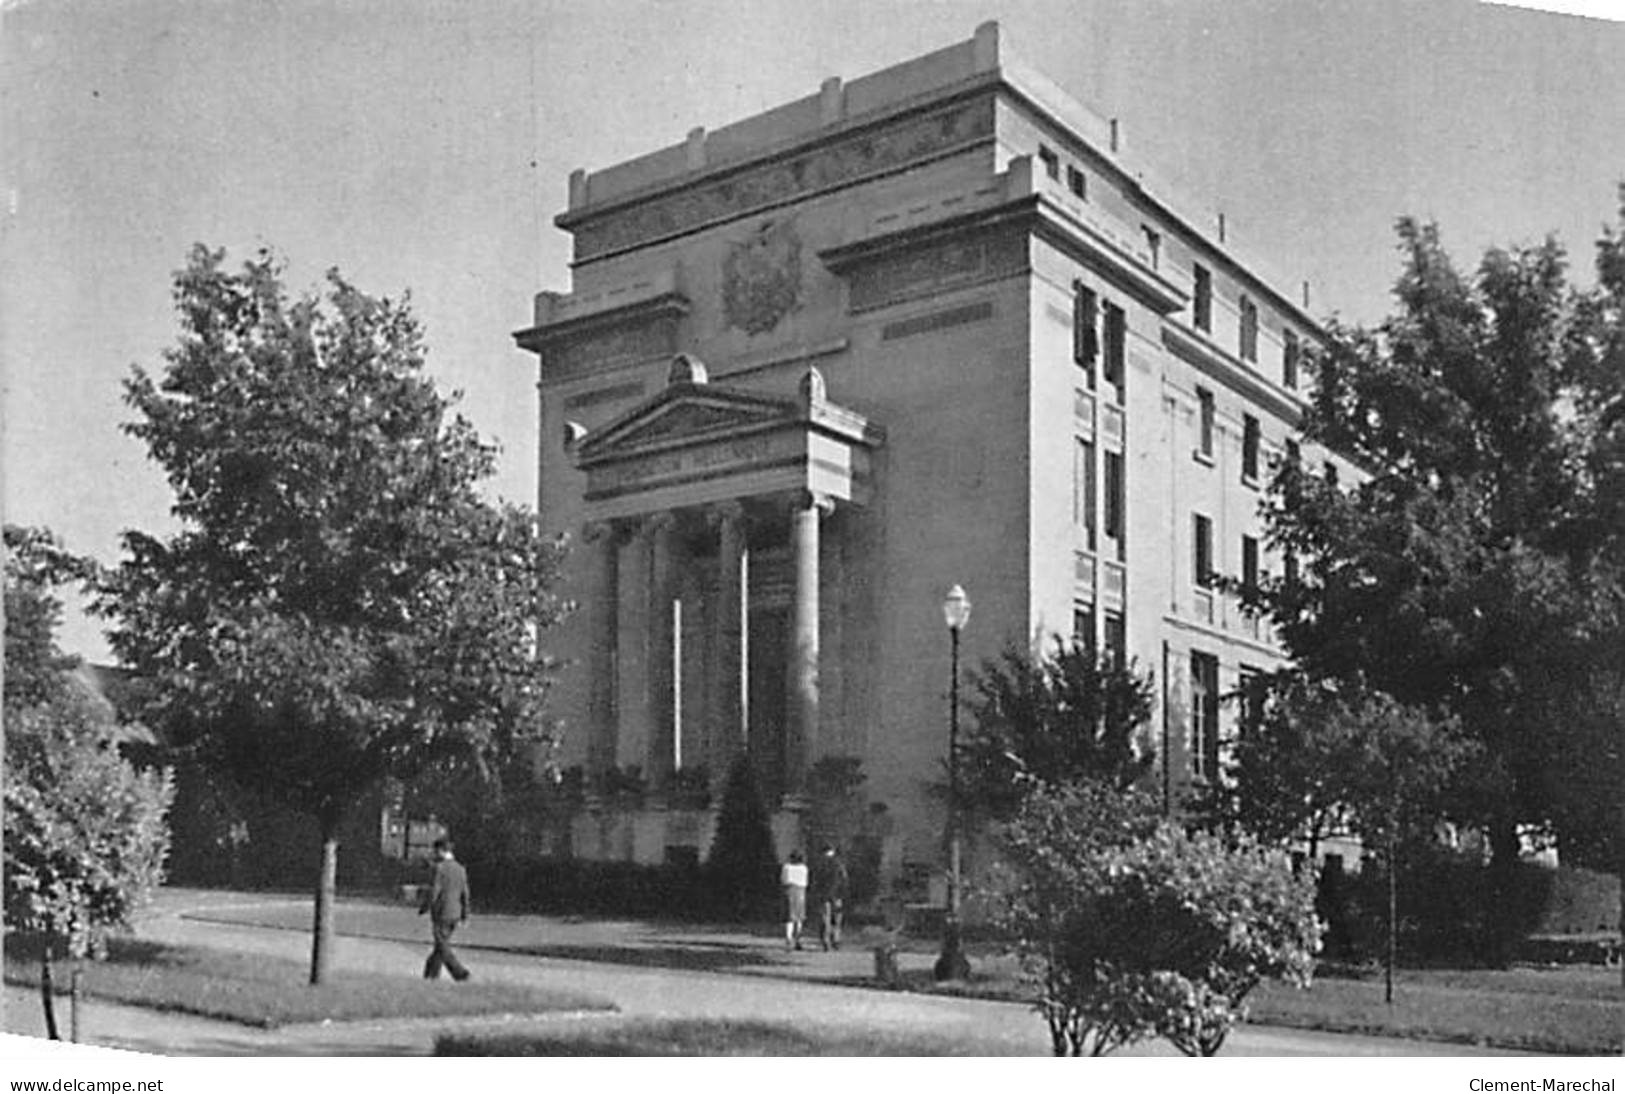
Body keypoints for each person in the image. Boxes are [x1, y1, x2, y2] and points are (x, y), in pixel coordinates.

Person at [418, 837, 471, 981]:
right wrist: (465, 914)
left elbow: (435, 891)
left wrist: (425, 907)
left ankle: (460, 972)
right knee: (440, 946)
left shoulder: (439, 869)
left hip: (442, 912)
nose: (434, 854)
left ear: (440, 851)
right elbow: (465, 893)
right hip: (456, 913)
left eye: (435, 851)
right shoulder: (460, 869)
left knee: (442, 945)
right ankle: (430, 975)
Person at [811, 844, 850, 951]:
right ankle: (836, 940)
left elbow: (815, 881)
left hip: (824, 895)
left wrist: (815, 893)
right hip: (837, 896)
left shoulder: (819, 864)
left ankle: (825, 941)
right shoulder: (839, 864)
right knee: (837, 920)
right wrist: (843, 894)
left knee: (825, 918)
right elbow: (845, 880)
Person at [780, 849, 808, 951]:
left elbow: (783, 880)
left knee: (789, 917)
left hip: (789, 891)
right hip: (801, 892)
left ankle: (788, 938)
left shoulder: (786, 867)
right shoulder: (804, 868)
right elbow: (806, 882)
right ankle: (798, 938)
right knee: (799, 917)